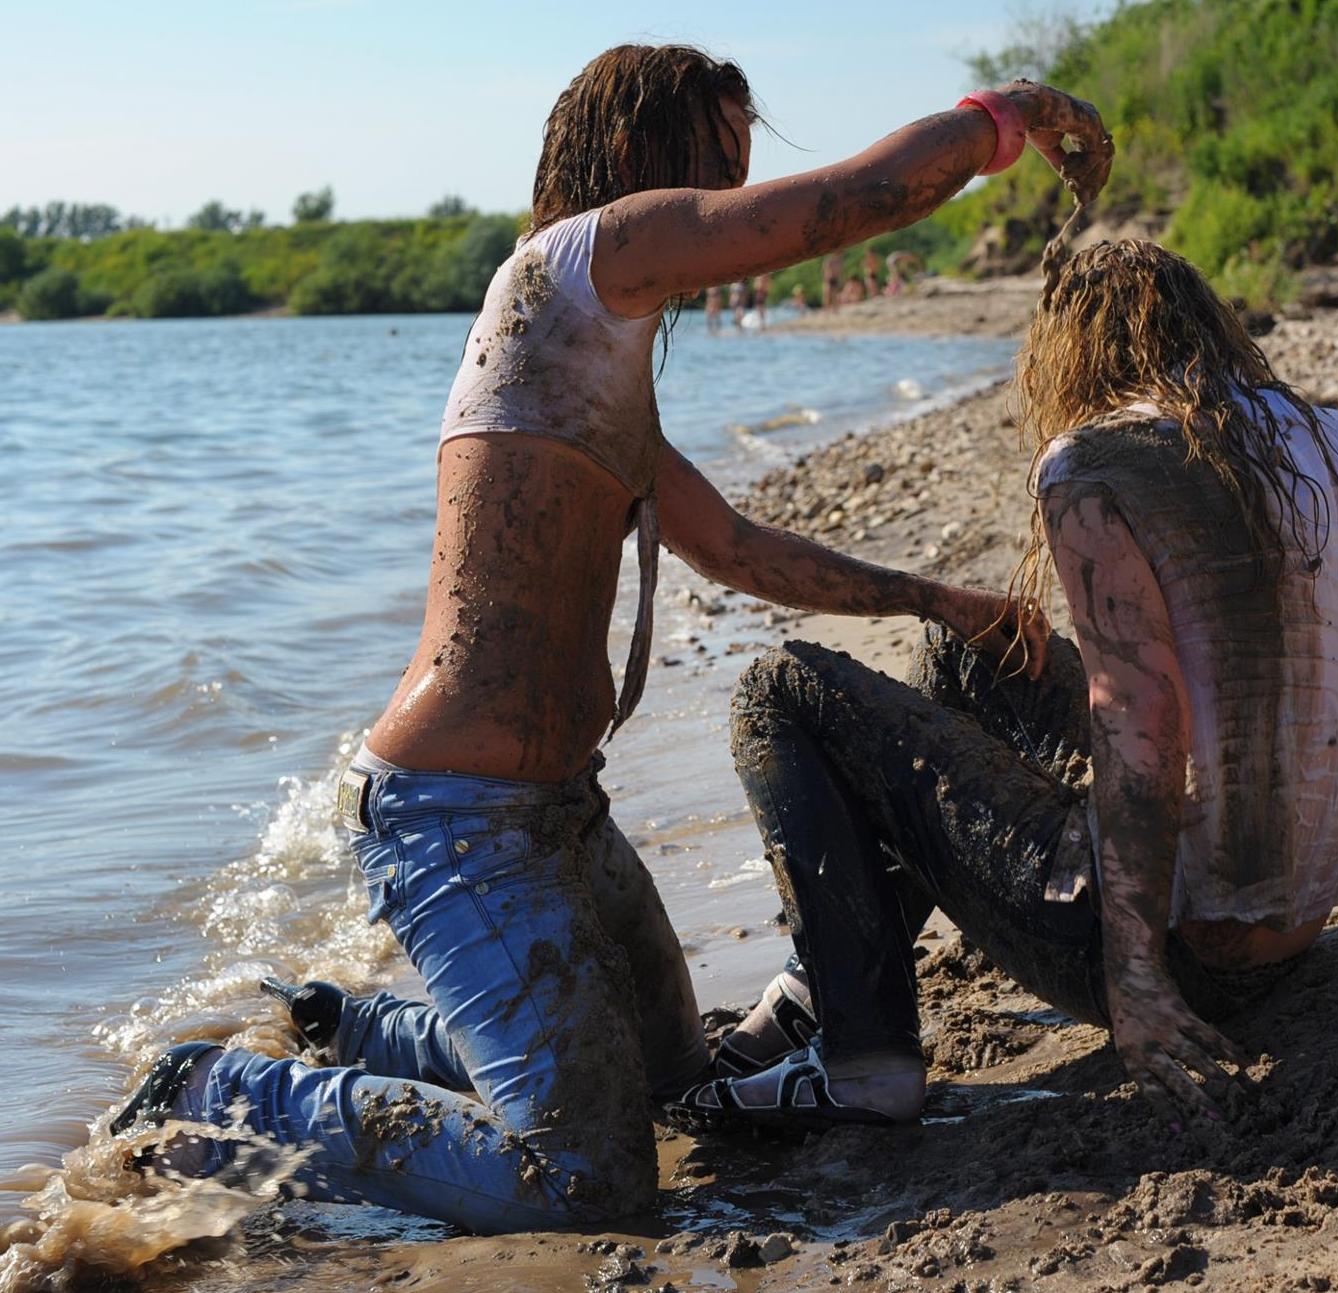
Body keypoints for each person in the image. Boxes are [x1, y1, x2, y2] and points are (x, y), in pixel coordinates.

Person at [109, 50, 1112, 1232]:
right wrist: (1010, 119)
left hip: (558, 815)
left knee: (669, 1085)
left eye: (747, 157)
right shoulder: (576, 263)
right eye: (718, 155)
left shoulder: (601, 363)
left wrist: (934, 600)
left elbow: (736, 549)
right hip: (454, 820)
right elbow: (839, 207)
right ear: (639, 156)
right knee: (585, 1181)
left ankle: (346, 1020)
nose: (737, 182)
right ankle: (220, 1090)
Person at [677, 239, 1338, 1133]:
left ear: (1071, 357)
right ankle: (832, 977)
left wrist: (1139, 982)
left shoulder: (1091, 466)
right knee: (976, 653)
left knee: (779, 690)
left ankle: (864, 1056)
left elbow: (1141, 720)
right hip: (1299, 932)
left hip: (1191, 959)